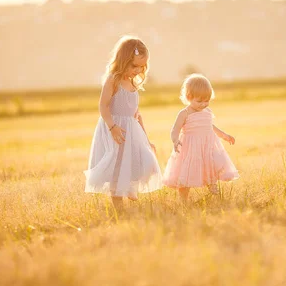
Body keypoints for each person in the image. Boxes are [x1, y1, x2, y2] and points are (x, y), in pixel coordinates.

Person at [84, 35, 162, 207]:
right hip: (115, 129)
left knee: (143, 160)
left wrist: (147, 140)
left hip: (132, 130)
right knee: (116, 168)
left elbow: (137, 114)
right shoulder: (113, 80)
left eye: (141, 67)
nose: (137, 70)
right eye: (134, 66)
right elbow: (103, 106)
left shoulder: (133, 84)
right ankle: (119, 207)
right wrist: (112, 127)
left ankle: (129, 185)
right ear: (123, 60)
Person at [163, 73, 239, 201]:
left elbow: (211, 127)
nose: (203, 104)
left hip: (206, 146)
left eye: (207, 101)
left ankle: (212, 188)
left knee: (210, 165)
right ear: (188, 97)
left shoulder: (207, 112)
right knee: (185, 174)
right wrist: (175, 140)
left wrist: (224, 135)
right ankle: (184, 200)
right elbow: (175, 129)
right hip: (190, 148)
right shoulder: (185, 113)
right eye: (199, 101)